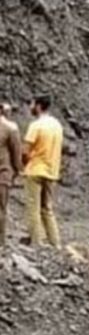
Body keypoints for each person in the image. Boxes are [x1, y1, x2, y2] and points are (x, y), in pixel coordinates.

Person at [22, 95, 63, 247]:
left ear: (38, 106)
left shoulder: (36, 125)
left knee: (33, 207)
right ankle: (55, 243)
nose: (30, 107)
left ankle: (36, 242)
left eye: (32, 104)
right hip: (52, 171)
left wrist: (23, 164)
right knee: (47, 208)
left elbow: (25, 151)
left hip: (35, 170)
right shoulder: (57, 125)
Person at [0, 103, 23, 248]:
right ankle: (1, 242)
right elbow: (16, 153)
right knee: (1, 208)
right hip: (3, 173)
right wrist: (18, 171)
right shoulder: (11, 128)